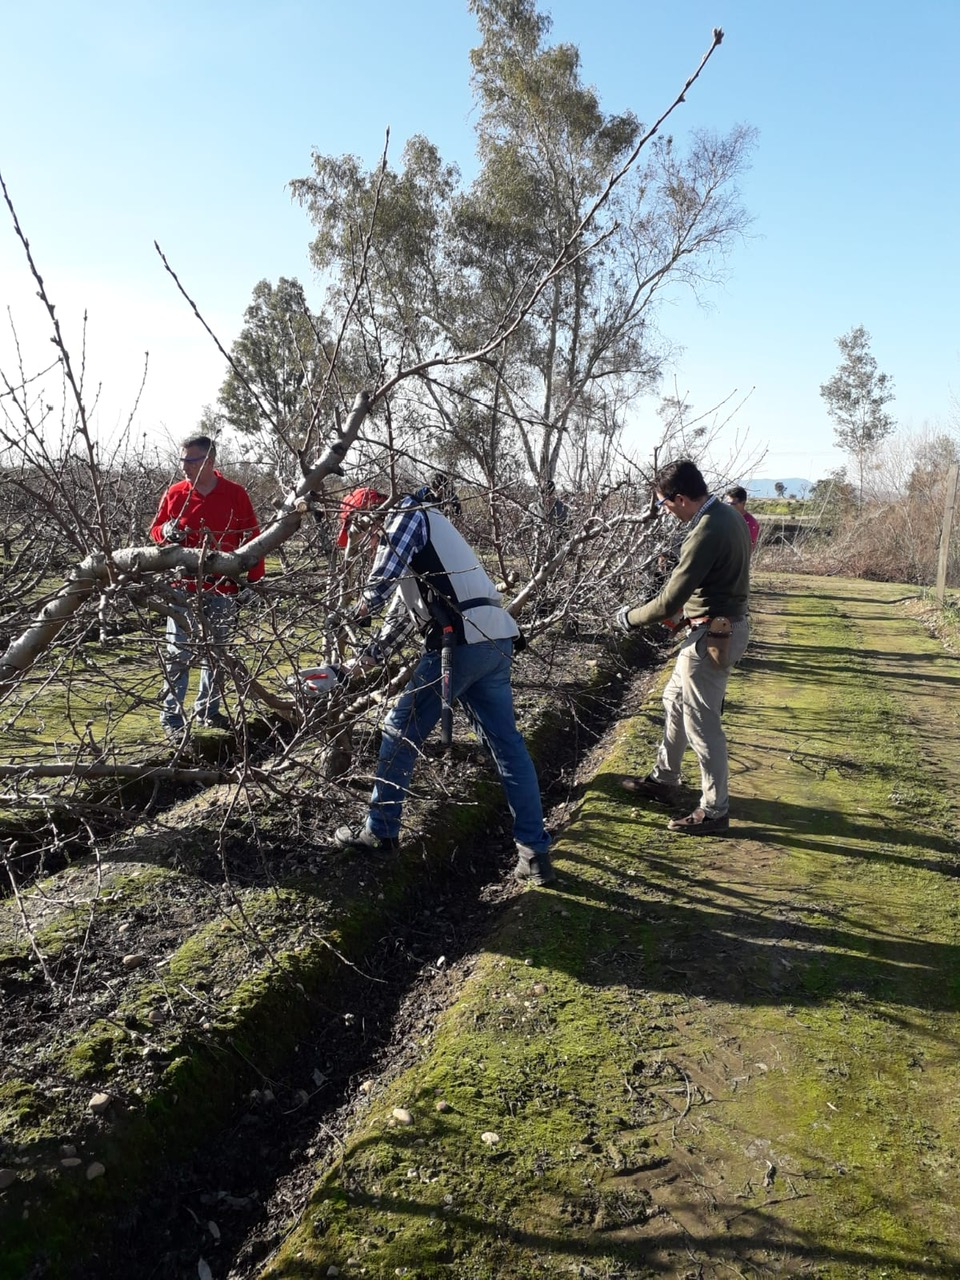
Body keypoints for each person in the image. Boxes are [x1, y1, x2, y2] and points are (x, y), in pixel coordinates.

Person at [331, 486, 555, 886]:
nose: (365, 547)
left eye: (362, 535)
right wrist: (356, 664)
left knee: (398, 732)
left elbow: (381, 581)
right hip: (495, 642)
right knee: (506, 745)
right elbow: (400, 620)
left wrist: (358, 608)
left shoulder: (405, 515)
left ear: (368, 517)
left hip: (461, 644)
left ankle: (380, 832)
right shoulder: (424, 544)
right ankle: (534, 852)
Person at [615, 459, 751, 835]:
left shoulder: (705, 529)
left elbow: (669, 600)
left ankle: (714, 810)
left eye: (664, 504)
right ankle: (664, 779)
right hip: (718, 627)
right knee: (674, 700)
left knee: (703, 725)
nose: (665, 511)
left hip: (712, 637)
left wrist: (628, 618)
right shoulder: (728, 515)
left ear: (679, 498)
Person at [150, 435, 264, 737]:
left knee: (216, 651)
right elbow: (155, 530)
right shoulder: (175, 494)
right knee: (179, 653)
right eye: (182, 459)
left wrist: (254, 580)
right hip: (183, 586)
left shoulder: (235, 494)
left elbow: (252, 535)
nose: (184, 466)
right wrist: (167, 531)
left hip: (222, 588)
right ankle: (172, 718)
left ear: (209, 461)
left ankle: (208, 711)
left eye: (191, 460)